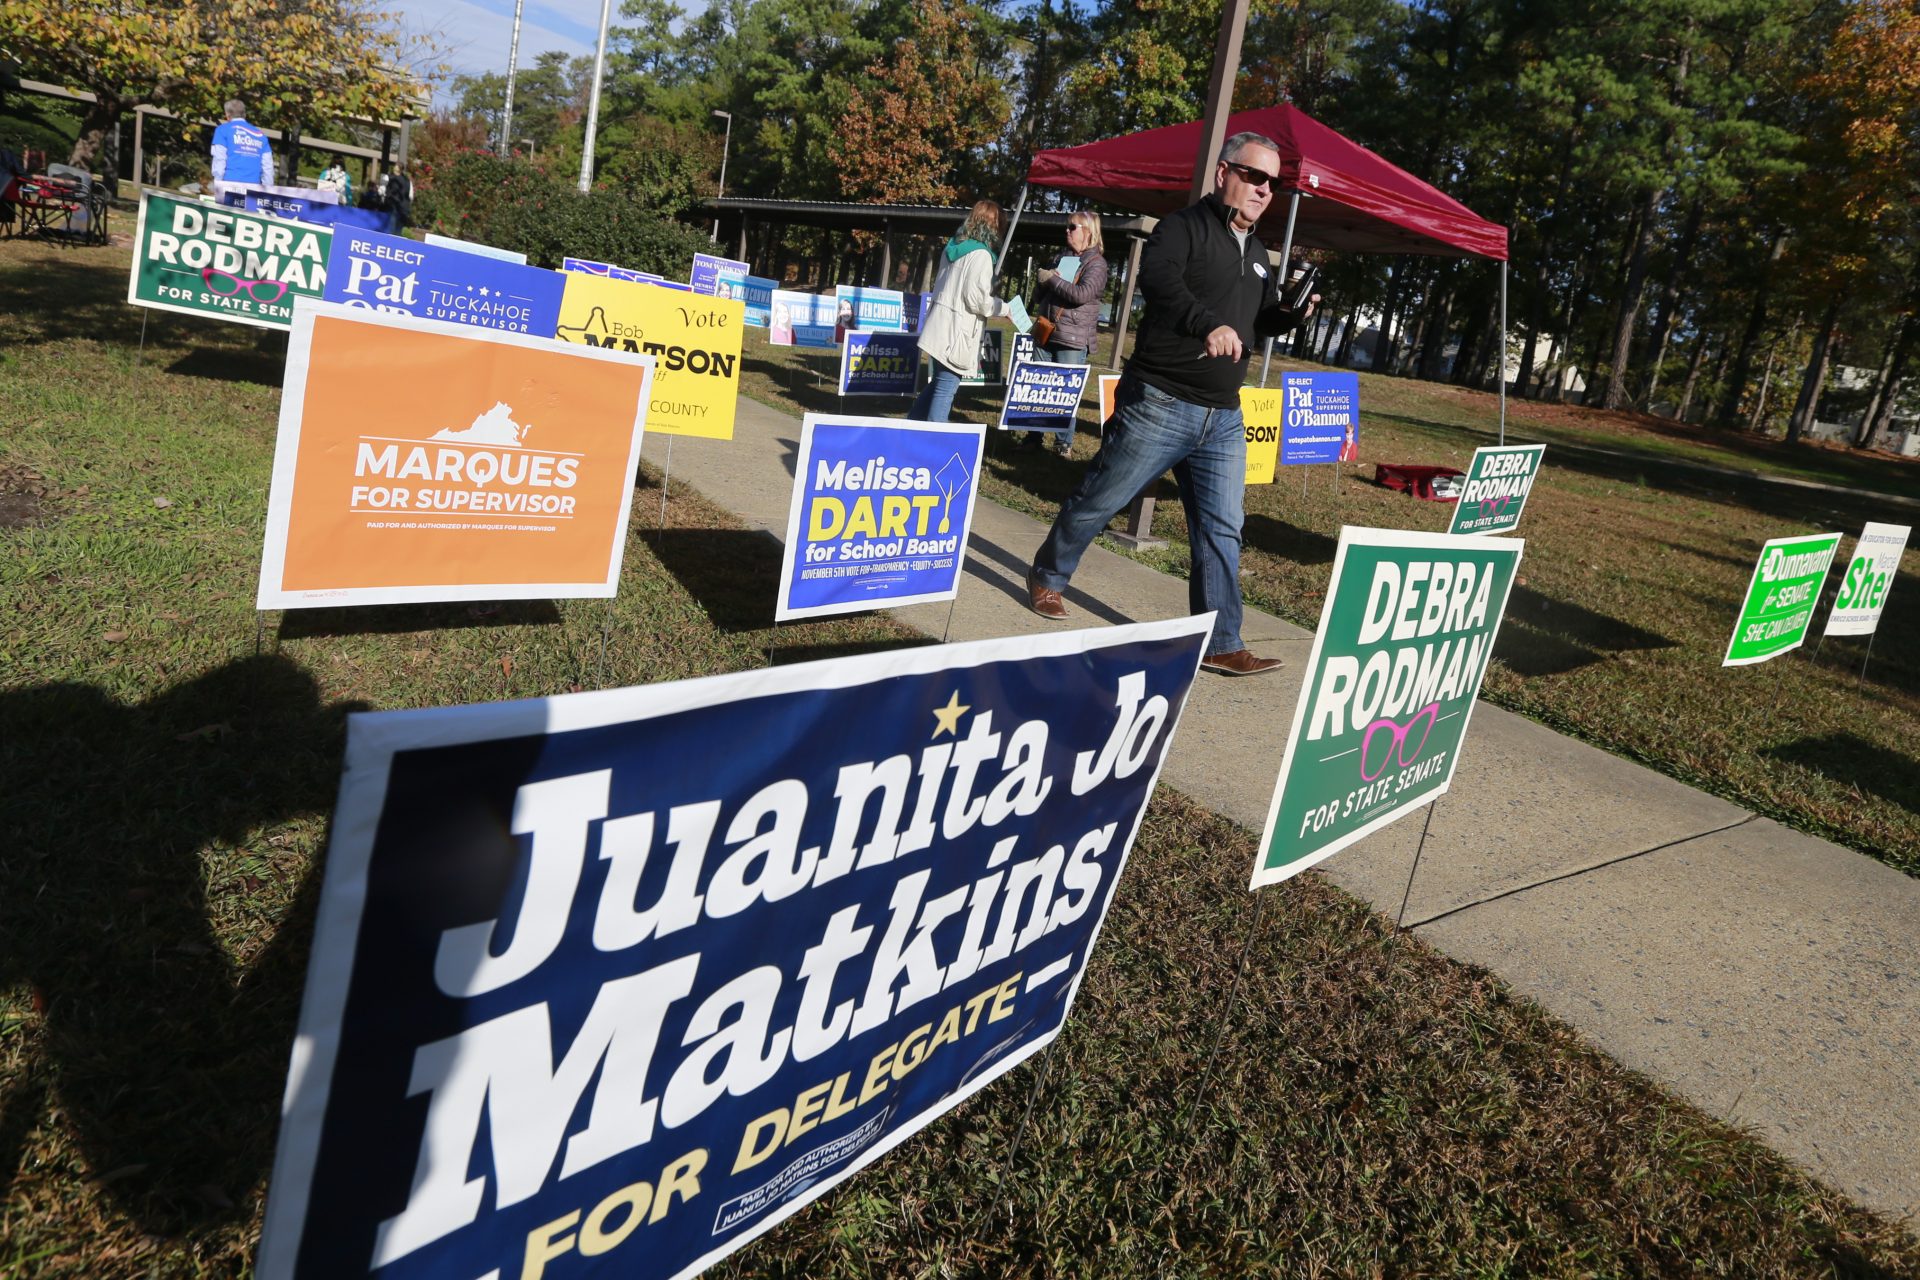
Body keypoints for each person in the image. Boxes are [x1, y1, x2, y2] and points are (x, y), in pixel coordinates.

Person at [1025, 132, 1315, 677]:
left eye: (1273, 183)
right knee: (1101, 498)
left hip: (1224, 415)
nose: (1264, 190)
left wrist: (1293, 314)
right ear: (1223, 173)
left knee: (1221, 528)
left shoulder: (1256, 253)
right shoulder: (1181, 229)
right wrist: (1208, 324)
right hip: (1159, 401)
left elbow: (1261, 319)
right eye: (1255, 176)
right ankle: (1048, 574)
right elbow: (1161, 284)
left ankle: (1221, 641)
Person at [911, 200, 1017, 422]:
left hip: (940, 326)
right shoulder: (982, 255)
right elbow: (977, 300)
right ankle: (933, 439)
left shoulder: (953, 247)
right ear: (995, 226)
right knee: (945, 388)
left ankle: (911, 426)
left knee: (938, 384)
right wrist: (1004, 307)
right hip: (957, 332)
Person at [1022, 210, 1111, 455]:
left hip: (1072, 339)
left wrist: (1052, 280)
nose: (1067, 230)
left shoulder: (1097, 265)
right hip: (1046, 332)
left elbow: (1081, 295)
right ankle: (1033, 437)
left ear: (1088, 232)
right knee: (1038, 387)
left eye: (1073, 227)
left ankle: (1063, 443)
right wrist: (1042, 283)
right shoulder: (1060, 258)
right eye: (1068, 226)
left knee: (1065, 394)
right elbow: (1043, 295)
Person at [210, 99, 274, 197]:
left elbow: (219, 160)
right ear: (244, 114)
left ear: (227, 114)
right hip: (253, 190)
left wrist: (217, 187)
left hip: (229, 187)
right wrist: (267, 192)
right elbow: (268, 168)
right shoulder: (260, 135)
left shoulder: (222, 130)